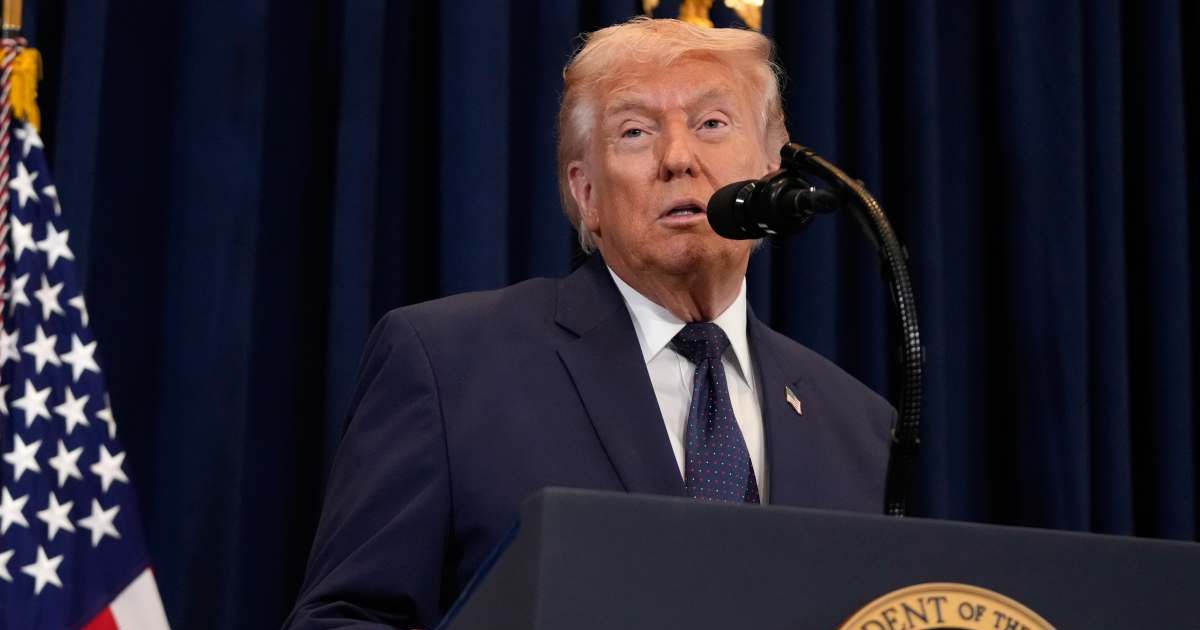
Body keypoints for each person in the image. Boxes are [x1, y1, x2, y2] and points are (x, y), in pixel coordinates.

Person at [284, 17, 893, 629]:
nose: (678, 158)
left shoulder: (858, 426)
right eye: (635, 132)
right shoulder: (448, 365)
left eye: (712, 124)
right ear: (586, 194)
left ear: (767, 174)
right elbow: (343, 618)